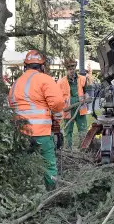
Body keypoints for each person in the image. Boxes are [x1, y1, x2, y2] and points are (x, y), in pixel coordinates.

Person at [8, 50, 66, 189]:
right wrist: (56, 115)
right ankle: (51, 192)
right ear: (42, 66)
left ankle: (24, 191)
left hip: (20, 134)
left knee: (24, 164)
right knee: (49, 165)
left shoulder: (16, 83)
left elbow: (12, 104)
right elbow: (57, 102)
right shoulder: (44, 79)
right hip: (41, 133)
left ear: (25, 66)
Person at [57, 59, 91, 149]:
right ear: (66, 69)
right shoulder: (61, 82)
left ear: (75, 67)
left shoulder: (82, 79)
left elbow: (85, 92)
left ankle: (84, 149)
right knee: (68, 131)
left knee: (83, 130)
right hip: (68, 110)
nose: (71, 69)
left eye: (73, 67)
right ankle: (68, 150)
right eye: (69, 68)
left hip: (81, 109)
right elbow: (58, 98)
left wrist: (87, 97)